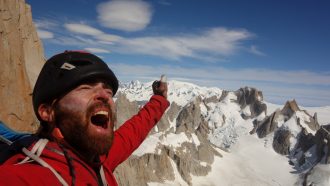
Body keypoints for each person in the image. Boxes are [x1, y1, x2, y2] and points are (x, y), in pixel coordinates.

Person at [0, 51, 169, 185]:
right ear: (47, 111)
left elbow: (132, 132)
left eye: (109, 91)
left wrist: (159, 99)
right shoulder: (23, 177)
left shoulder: (98, 159)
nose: (105, 95)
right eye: (86, 87)